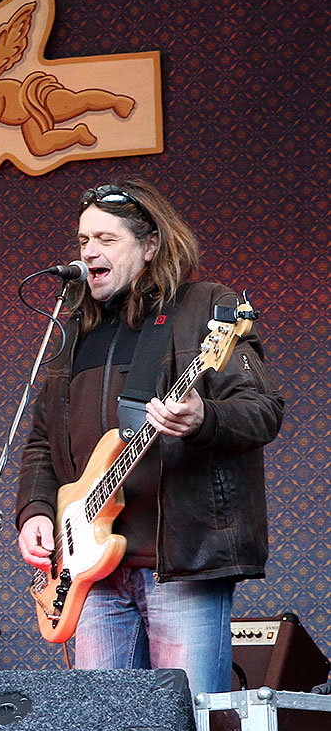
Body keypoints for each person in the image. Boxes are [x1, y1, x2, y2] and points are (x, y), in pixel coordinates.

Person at [15, 179, 284, 695]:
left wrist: (202, 419)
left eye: (105, 239)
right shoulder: (75, 330)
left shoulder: (206, 308)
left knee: (188, 727)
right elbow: (41, 441)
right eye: (82, 240)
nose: (88, 251)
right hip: (87, 571)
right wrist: (36, 512)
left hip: (179, 564)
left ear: (150, 246)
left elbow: (262, 411)